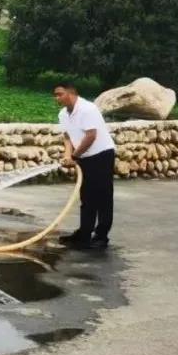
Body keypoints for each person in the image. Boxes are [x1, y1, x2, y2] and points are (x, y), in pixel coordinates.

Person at [54, 81, 117, 249]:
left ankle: (101, 236)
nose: (57, 98)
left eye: (60, 94)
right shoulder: (63, 114)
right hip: (84, 157)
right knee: (86, 196)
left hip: (102, 154)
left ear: (71, 93)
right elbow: (67, 136)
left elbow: (91, 136)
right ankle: (84, 233)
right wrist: (68, 155)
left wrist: (74, 155)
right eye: (56, 95)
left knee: (103, 196)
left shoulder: (88, 109)